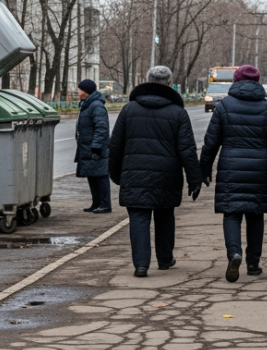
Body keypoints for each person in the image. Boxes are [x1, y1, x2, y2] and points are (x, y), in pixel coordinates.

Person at [109, 65, 203, 277]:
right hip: (167, 174)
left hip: (134, 173)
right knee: (165, 214)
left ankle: (141, 264)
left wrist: (115, 173)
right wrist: (194, 179)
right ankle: (165, 259)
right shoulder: (178, 112)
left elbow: (115, 145)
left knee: (138, 216)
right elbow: (187, 150)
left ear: (147, 80)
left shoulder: (129, 109)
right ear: (169, 84)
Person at [199, 65, 267, 283]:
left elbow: (211, 142)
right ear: (257, 82)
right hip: (260, 169)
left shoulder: (224, 106)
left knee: (231, 213)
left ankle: (234, 253)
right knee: (256, 214)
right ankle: (253, 264)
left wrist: (204, 170)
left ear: (235, 81)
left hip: (230, 167)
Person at [75, 79, 112, 213]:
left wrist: (96, 145)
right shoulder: (87, 104)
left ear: (86, 91)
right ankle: (96, 203)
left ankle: (105, 204)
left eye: (80, 89)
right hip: (88, 146)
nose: (78, 92)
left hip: (96, 148)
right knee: (92, 175)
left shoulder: (96, 106)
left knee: (100, 176)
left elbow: (101, 128)